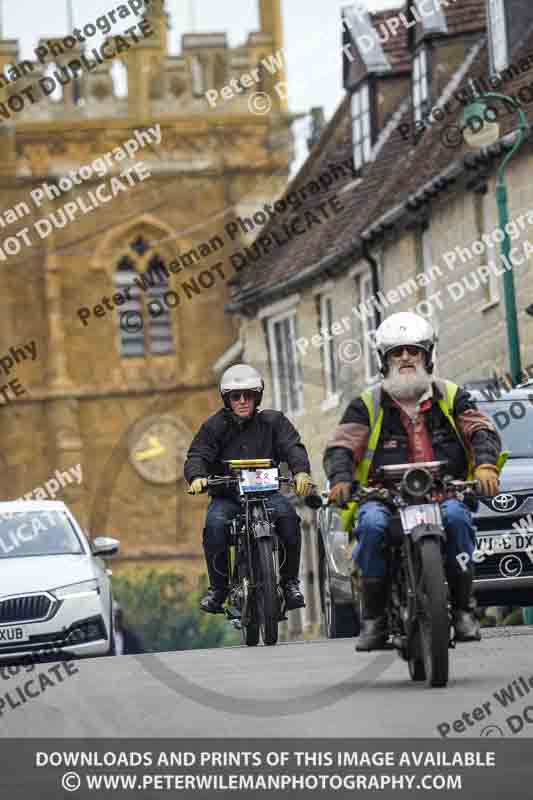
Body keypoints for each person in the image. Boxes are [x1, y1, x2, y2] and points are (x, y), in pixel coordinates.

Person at [324, 312, 504, 651]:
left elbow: (481, 430)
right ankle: (375, 619)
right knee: (372, 526)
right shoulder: (368, 404)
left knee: (457, 519)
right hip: (384, 497)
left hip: (444, 491)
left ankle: (465, 609)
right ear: (384, 360)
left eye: (413, 351)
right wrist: (341, 478)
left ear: (428, 356)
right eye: (396, 353)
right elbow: (341, 446)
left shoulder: (451, 395)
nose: (405, 358)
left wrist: (485, 467)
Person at [184, 364, 314, 614]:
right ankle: (218, 590)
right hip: (229, 497)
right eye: (236, 396)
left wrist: (301, 471)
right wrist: (197, 477)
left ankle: (289, 584)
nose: (243, 401)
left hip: (268, 494)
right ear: (227, 399)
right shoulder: (213, 427)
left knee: (289, 518)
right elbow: (197, 455)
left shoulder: (274, 421)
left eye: (249, 395)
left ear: (258, 397)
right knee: (215, 526)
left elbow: (293, 447)